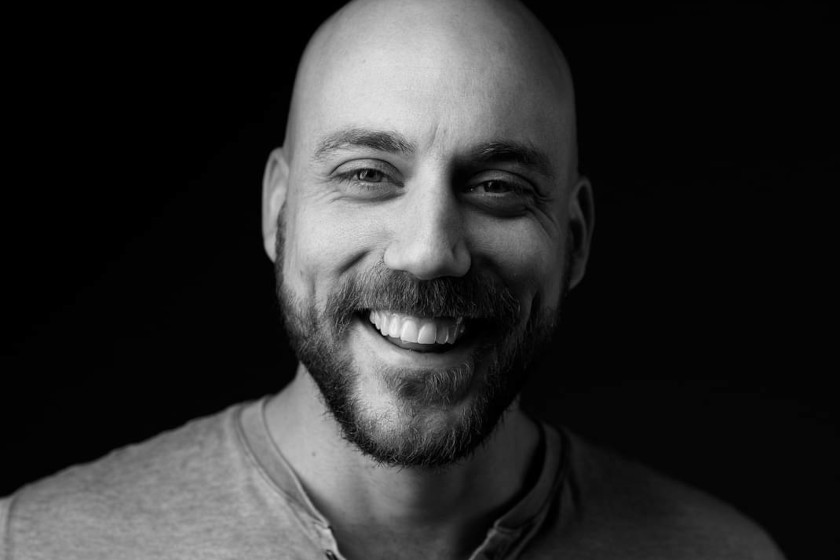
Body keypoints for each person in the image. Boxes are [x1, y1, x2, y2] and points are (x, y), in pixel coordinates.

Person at [0, 1, 786, 558]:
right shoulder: (37, 545)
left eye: (498, 187)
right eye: (368, 174)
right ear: (279, 213)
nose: (429, 251)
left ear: (574, 242)